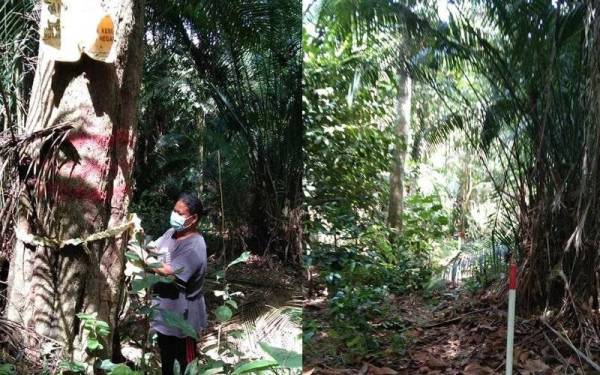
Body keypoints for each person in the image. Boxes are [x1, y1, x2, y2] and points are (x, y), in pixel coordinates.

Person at [147, 193, 208, 375]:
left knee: (184, 365)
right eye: (174, 211)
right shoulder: (171, 233)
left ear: (193, 218)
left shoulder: (195, 246)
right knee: (167, 361)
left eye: (179, 213)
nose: (174, 215)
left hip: (183, 320)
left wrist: (144, 259)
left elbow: (171, 273)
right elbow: (154, 247)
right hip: (164, 314)